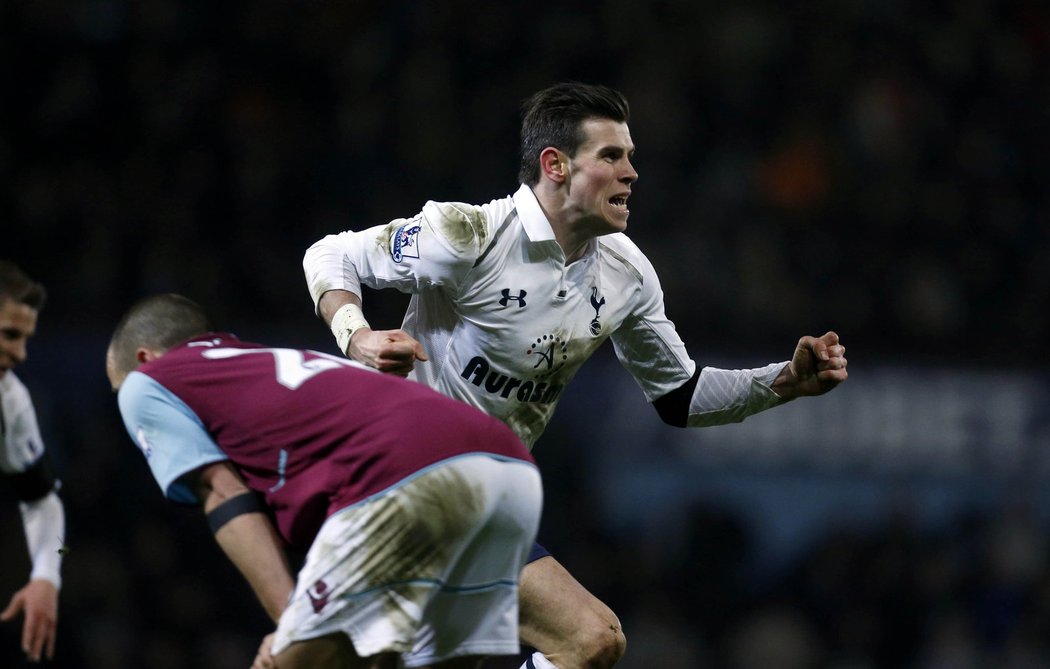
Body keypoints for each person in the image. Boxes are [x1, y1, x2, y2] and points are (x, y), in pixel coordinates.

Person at [302, 82, 849, 669]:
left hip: (488, 499)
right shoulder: (472, 236)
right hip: (408, 477)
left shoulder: (625, 273)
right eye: (611, 156)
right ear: (555, 165)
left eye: (631, 157)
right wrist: (356, 335)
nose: (631, 172)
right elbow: (333, 254)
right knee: (592, 639)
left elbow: (680, 396)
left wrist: (783, 383)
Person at [106, 293, 543, 669]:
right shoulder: (277, 364)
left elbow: (223, 491)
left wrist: (289, 627)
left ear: (144, 359)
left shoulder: (148, 382)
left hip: (400, 473)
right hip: (507, 466)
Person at [0, 260, 65, 665]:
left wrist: (47, 575)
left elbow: (44, 501)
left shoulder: (11, 402)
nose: (21, 354)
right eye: (9, 335)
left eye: (26, 339)